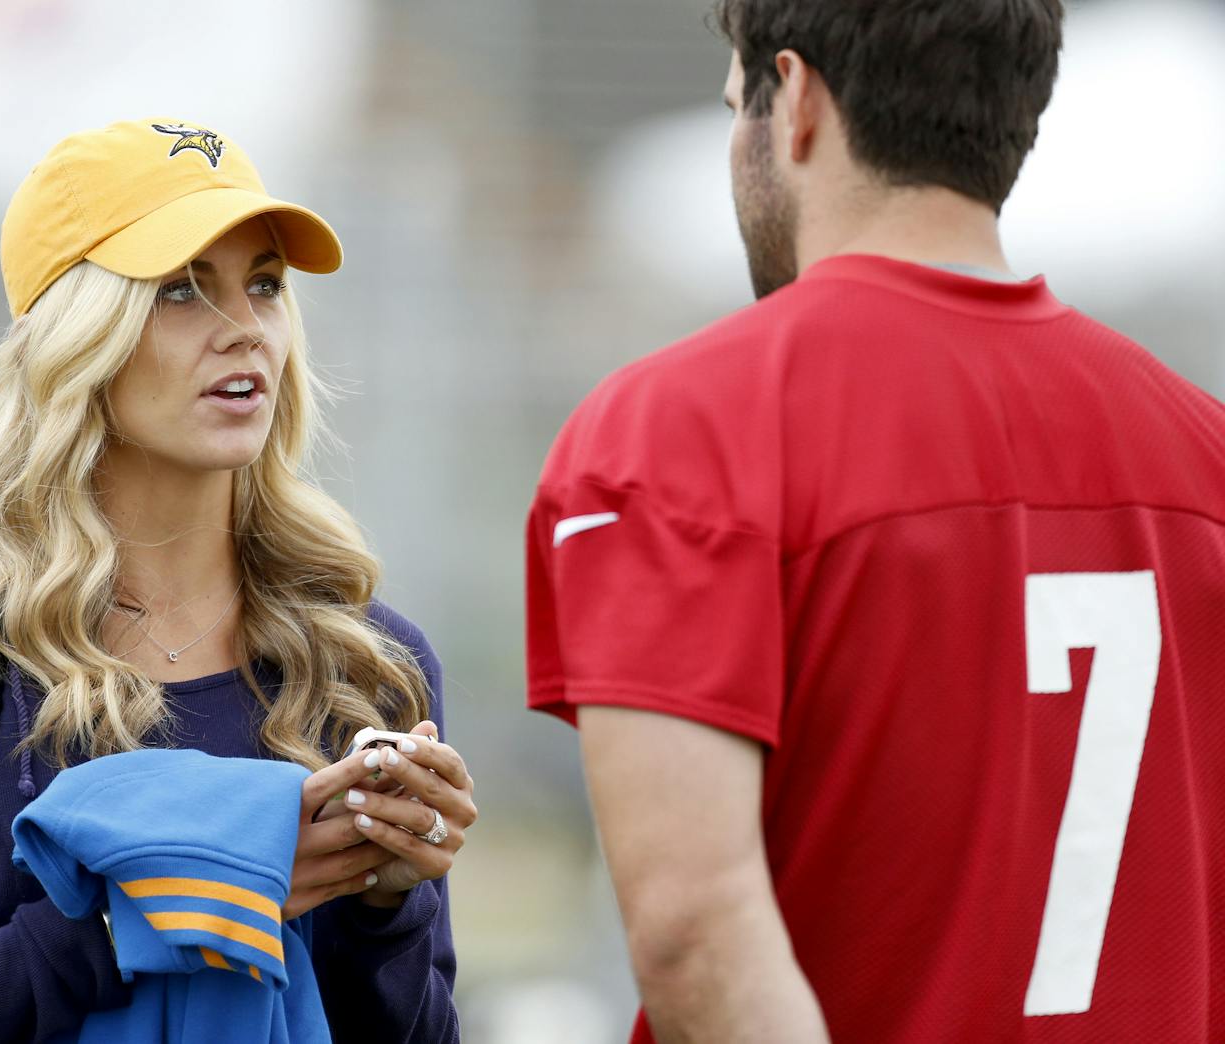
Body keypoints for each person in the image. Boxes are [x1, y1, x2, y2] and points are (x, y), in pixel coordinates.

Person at [525, 2, 1225, 1041]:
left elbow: (693, 932)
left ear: (795, 101)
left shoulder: (686, 427)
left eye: (736, 105)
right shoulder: (1200, 446)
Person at [0, 118, 475, 1041]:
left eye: (266, 285)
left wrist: (382, 905)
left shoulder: (365, 663)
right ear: (79, 337)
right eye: (181, 291)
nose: (245, 330)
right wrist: (169, 910)